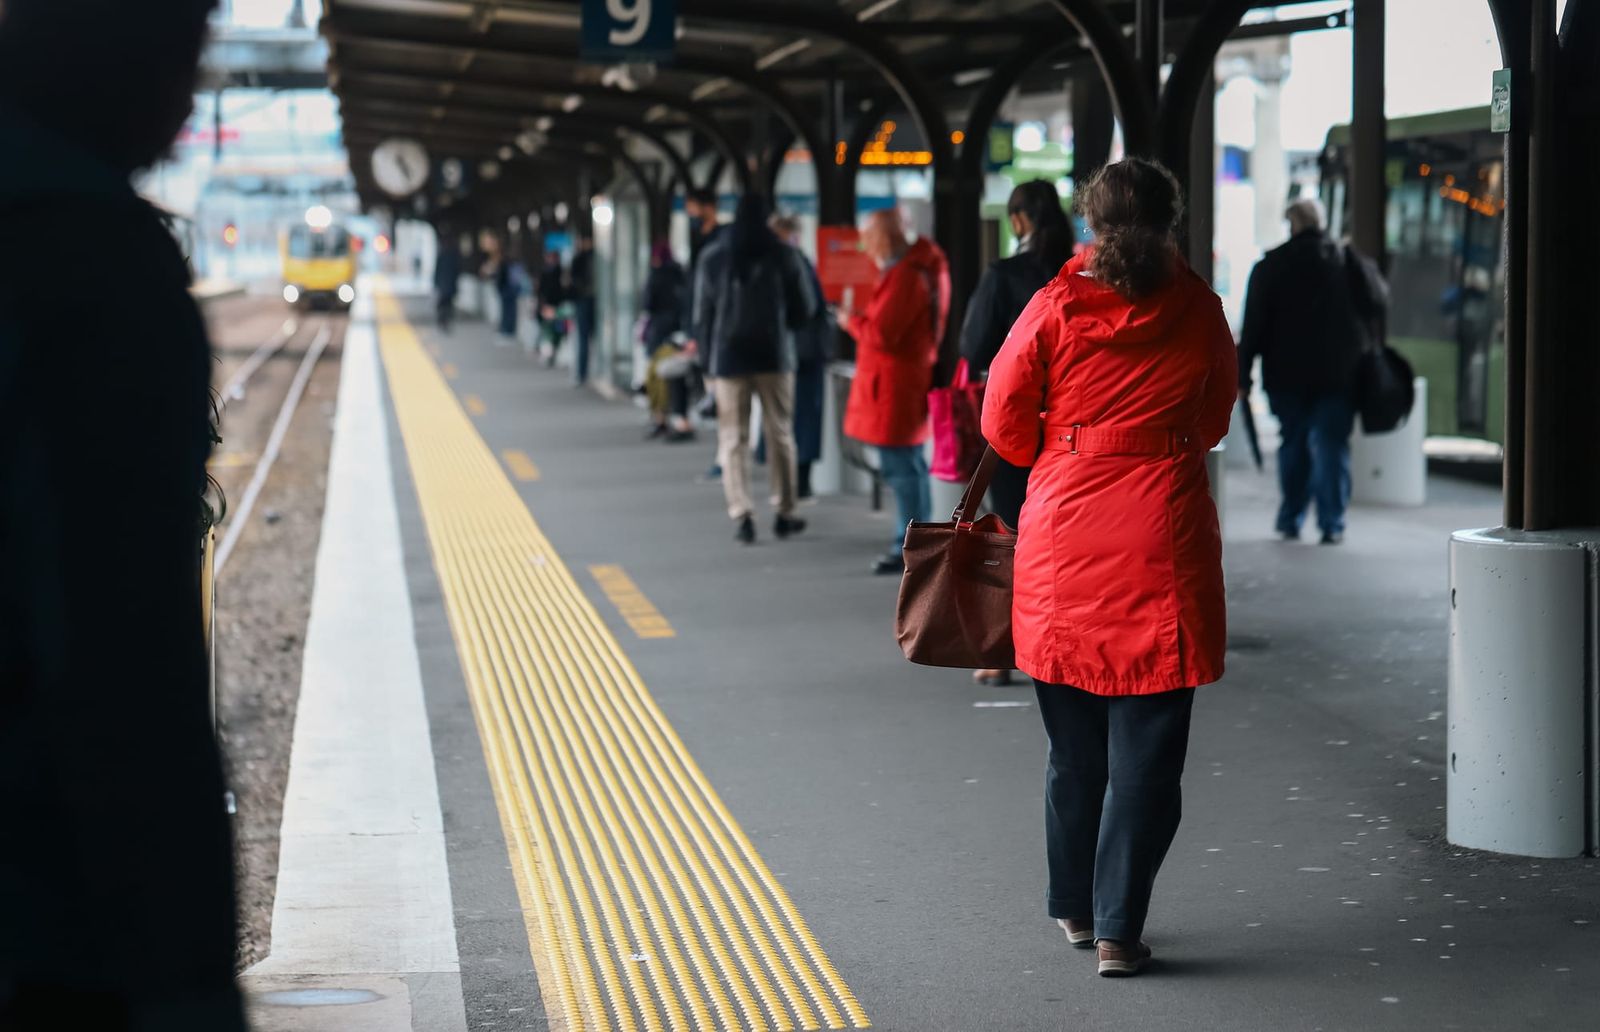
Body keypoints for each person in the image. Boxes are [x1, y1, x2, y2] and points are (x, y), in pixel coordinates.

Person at [0, 1, 247, 1028]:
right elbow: (125, 644)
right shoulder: (95, 263)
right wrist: (186, 972)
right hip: (58, 893)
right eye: (180, 60)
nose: (186, 103)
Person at [981, 158, 1235, 978]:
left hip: (1064, 543)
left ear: (1091, 222)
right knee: (1148, 757)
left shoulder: (1053, 307)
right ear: (1171, 223)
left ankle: (1074, 909)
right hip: (1163, 539)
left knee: (1074, 752)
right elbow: (1217, 418)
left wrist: (1068, 445)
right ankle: (1121, 928)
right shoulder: (1199, 310)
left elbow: (1005, 426)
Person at [959, 179, 1075, 686]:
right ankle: (1067, 649)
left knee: (1010, 536)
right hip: (1076, 429)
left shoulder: (1004, 276)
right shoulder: (1082, 276)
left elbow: (974, 343)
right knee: (1068, 541)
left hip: (1017, 426)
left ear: (1020, 221)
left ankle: (1003, 649)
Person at [1238, 197, 1373, 545]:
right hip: (1338, 374)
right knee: (1331, 444)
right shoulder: (1344, 259)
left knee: (1293, 441)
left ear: (1291, 224)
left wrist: (1243, 375)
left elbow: (1253, 327)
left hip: (1285, 375)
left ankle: (1290, 517)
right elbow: (1377, 302)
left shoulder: (1270, 266)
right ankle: (1332, 523)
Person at [692, 194, 819, 544]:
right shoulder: (784, 254)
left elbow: (703, 315)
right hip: (775, 358)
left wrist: (707, 361)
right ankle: (785, 510)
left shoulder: (714, 257)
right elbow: (805, 308)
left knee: (733, 437)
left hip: (728, 359)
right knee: (780, 432)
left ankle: (743, 514)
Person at [840, 208, 951, 575]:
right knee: (910, 463)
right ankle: (915, 538)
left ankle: (907, 542)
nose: (864, 247)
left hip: (892, 385)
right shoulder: (920, 269)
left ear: (882, 238)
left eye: (868, 238)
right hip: (901, 380)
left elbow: (883, 333)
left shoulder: (905, 276)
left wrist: (850, 320)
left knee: (900, 466)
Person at [769, 213, 833, 500]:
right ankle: (799, 479)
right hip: (807, 350)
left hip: (786, 352)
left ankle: (791, 481)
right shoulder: (800, 262)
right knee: (806, 416)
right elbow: (812, 305)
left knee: (787, 417)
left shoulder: (779, 263)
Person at [641, 241, 695, 441]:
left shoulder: (655, 276)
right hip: (680, 333)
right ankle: (682, 418)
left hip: (660, 333)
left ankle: (660, 418)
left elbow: (647, 303)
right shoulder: (681, 274)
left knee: (658, 377)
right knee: (678, 377)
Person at [569, 234, 597, 386]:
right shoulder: (581, 259)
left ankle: (585, 373)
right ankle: (582, 373)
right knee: (584, 338)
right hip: (585, 300)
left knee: (584, 338)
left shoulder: (590, 257)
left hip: (590, 301)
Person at [537, 250, 568, 366]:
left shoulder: (559, 272)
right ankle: (549, 354)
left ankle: (553, 353)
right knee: (549, 331)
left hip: (557, 305)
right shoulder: (548, 272)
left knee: (557, 330)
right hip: (550, 305)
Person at [433, 227, 462, 333]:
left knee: (442, 303)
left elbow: (437, 270)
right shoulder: (454, 254)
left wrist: (435, 283)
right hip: (450, 284)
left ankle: (443, 320)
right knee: (447, 303)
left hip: (443, 284)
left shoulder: (442, 254)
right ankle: (445, 320)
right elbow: (458, 270)